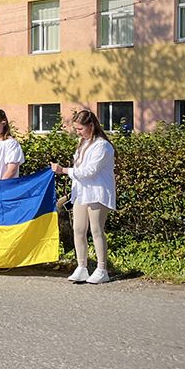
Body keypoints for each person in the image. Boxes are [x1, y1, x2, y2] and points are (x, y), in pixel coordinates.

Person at [52, 109, 118, 285]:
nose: (78, 132)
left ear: (91, 125)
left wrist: (64, 170)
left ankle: (102, 269)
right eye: (76, 129)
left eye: (80, 129)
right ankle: (82, 267)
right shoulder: (82, 143)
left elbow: (90, 171)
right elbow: (81, 169)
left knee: (96, 230)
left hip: (97, 192)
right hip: (81, 192)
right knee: (78, 229)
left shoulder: (102, 145)